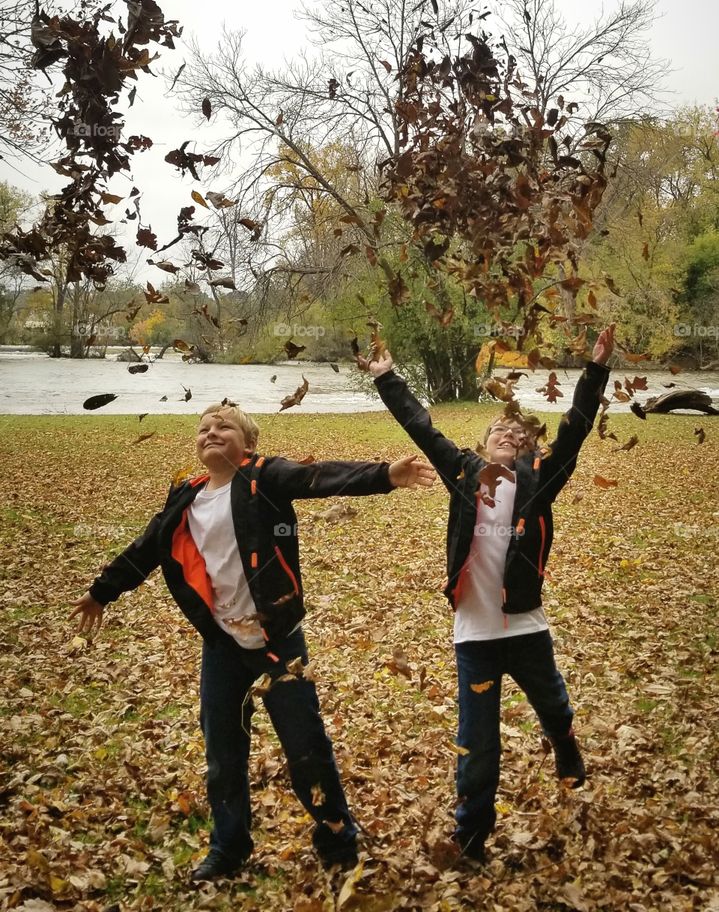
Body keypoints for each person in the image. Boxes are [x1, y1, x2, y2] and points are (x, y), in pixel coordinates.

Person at [71, 401, 434, 882]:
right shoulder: (186, 496)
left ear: (248, 444)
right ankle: (229, 847)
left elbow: (318, 477)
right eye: (203, 429)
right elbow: (147, 549)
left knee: (306, 747)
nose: (211, 432)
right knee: (224, 753)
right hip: (222, 646)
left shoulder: (264, 477)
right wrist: (102, 591)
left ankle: (337, 837)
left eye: (224, 426)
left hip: (277, 643)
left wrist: (385, 474)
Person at [356, 325, 615, 864]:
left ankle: (567, 750)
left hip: (525, 627)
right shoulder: (465, 473)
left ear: (531, 451)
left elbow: (574, 432)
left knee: (554, 707)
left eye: (522, 439)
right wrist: (386, 378)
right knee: (477, 744)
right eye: (501, 434)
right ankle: (471, 838)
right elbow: (422, 429)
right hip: (474, 634)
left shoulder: (540, 480)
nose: (511, 440)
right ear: (484, 442)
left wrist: (595, 372)